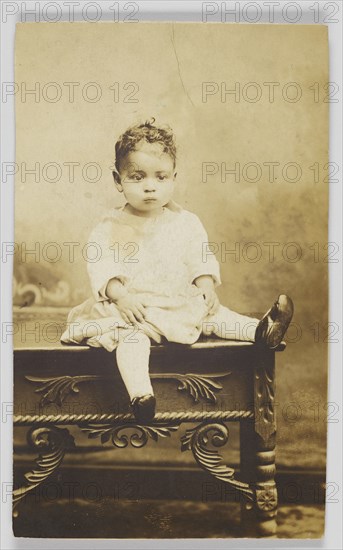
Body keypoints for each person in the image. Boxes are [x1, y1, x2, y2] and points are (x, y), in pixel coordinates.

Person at [60, 119, 294, 423]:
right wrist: (120, 297)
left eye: (161, 177)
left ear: (173, 178)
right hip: (136, 309)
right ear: (118, 180)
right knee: (132, 341)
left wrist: (206, 283)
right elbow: (101, 264)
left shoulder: (184, 221)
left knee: (213, 316)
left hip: (175, 302)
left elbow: (198, 255)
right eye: (137, 176)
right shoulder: (109, 226)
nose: (150, 186)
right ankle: (141, 395)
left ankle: (260, 332)